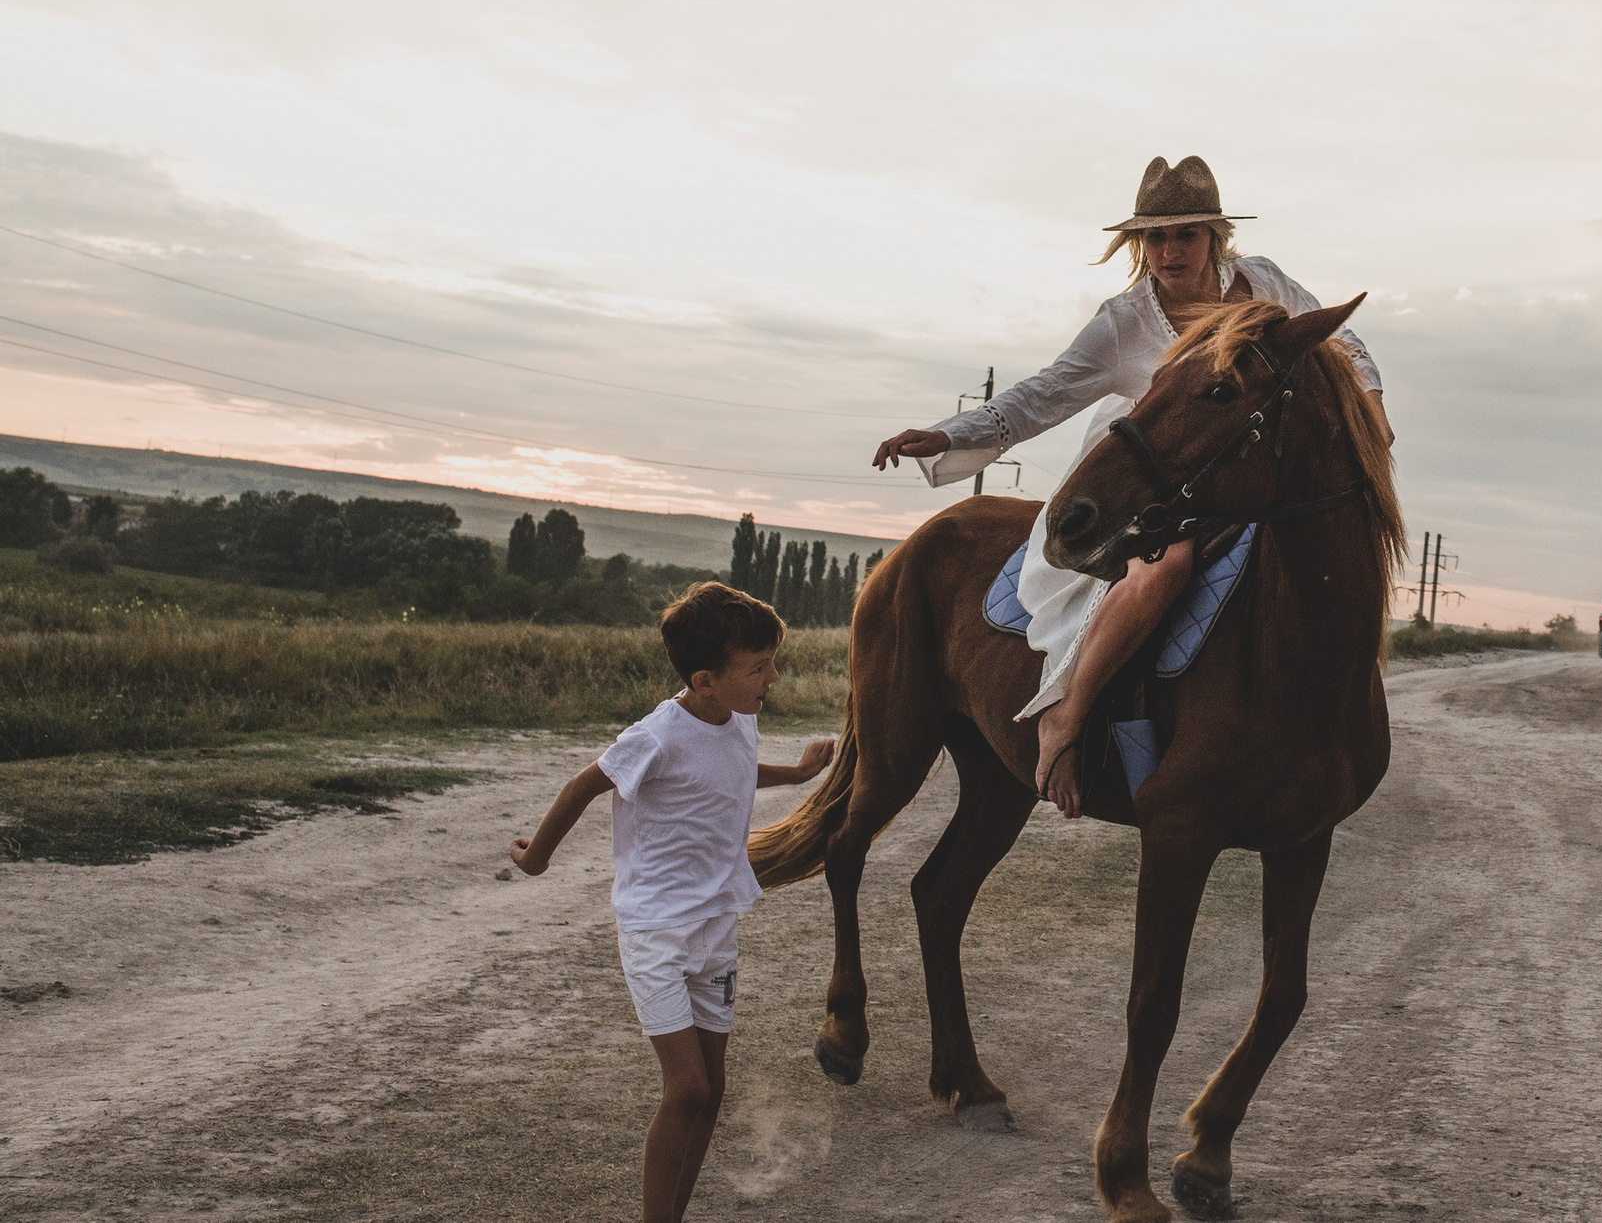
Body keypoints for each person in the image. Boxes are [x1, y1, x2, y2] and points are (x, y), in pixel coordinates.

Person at [872, 155, 1383, 817]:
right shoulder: (1125, 321)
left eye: (1186, 234)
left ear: (1215, 237)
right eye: (1154, 237)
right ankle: (1068, 715)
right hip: (1148, 481)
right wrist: (951, 434)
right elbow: (1046, 393)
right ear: (1138, 243)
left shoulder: (1265, 283)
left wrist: (1371, 409)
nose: (1169, 251)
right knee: (1162, 567)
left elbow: (1344, 345)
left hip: (1234, 468)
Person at [508, 583, 836, 1223]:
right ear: (704, 680)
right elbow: (582, 786)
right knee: (686, 1088)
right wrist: (537, 858)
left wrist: (796, 775)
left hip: (716, 930)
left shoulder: (738, 717)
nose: (773, 677)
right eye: (759, 667)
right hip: (656, 931)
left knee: (710, 1091)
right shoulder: (655, 736)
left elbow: (732, 768)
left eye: (772, 661)